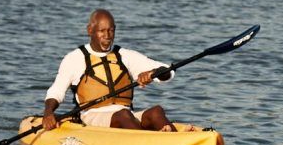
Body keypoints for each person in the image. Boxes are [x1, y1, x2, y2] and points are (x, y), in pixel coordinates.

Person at [40, 9, 180, 132]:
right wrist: (48, 113)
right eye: (102, 31)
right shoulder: (75, 58)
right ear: (90, 30)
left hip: (126, 116)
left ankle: (176, 142)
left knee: (156, 111)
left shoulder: (125, 55)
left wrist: (153, 73)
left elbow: (168, 71)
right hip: (93, 117)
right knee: (123, 115)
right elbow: (56, 91)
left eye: (111, 30)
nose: (107, 35)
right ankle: (148, 143)